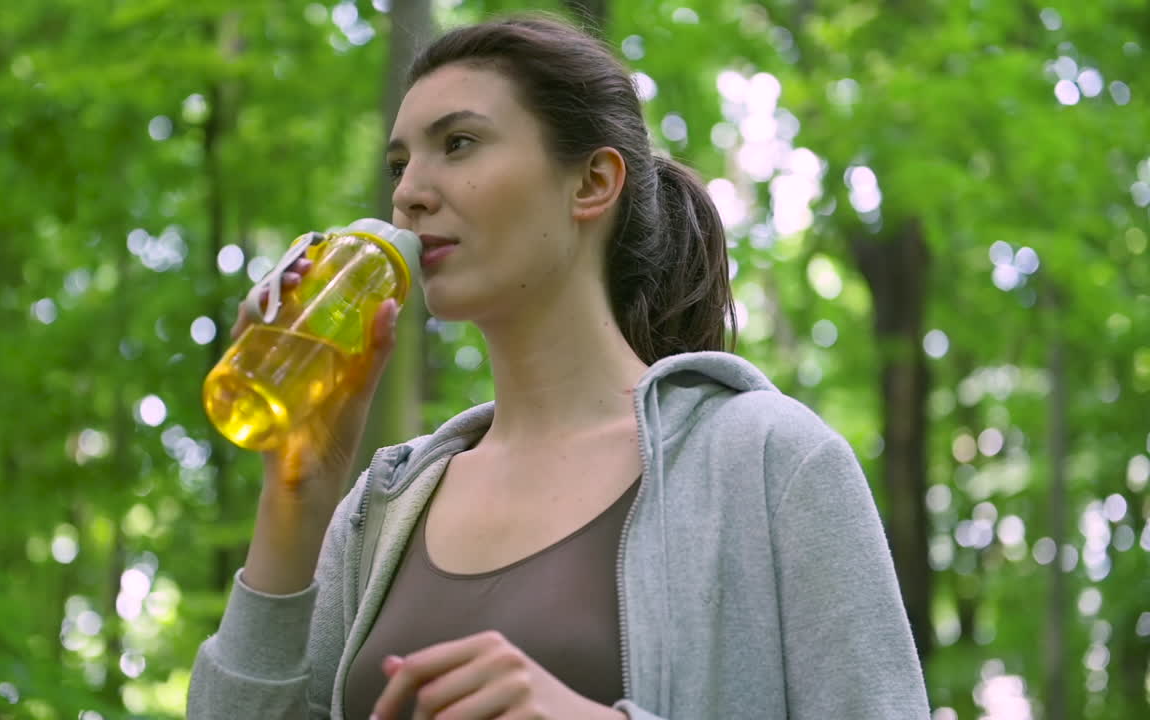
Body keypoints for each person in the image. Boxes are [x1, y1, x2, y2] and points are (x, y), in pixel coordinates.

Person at [188, 13, 928, 720]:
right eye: (399, 162)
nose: (408, 192)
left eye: (459, 143)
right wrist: (301, 491)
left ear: (592, 184)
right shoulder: (379, 511)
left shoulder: (768, 461)